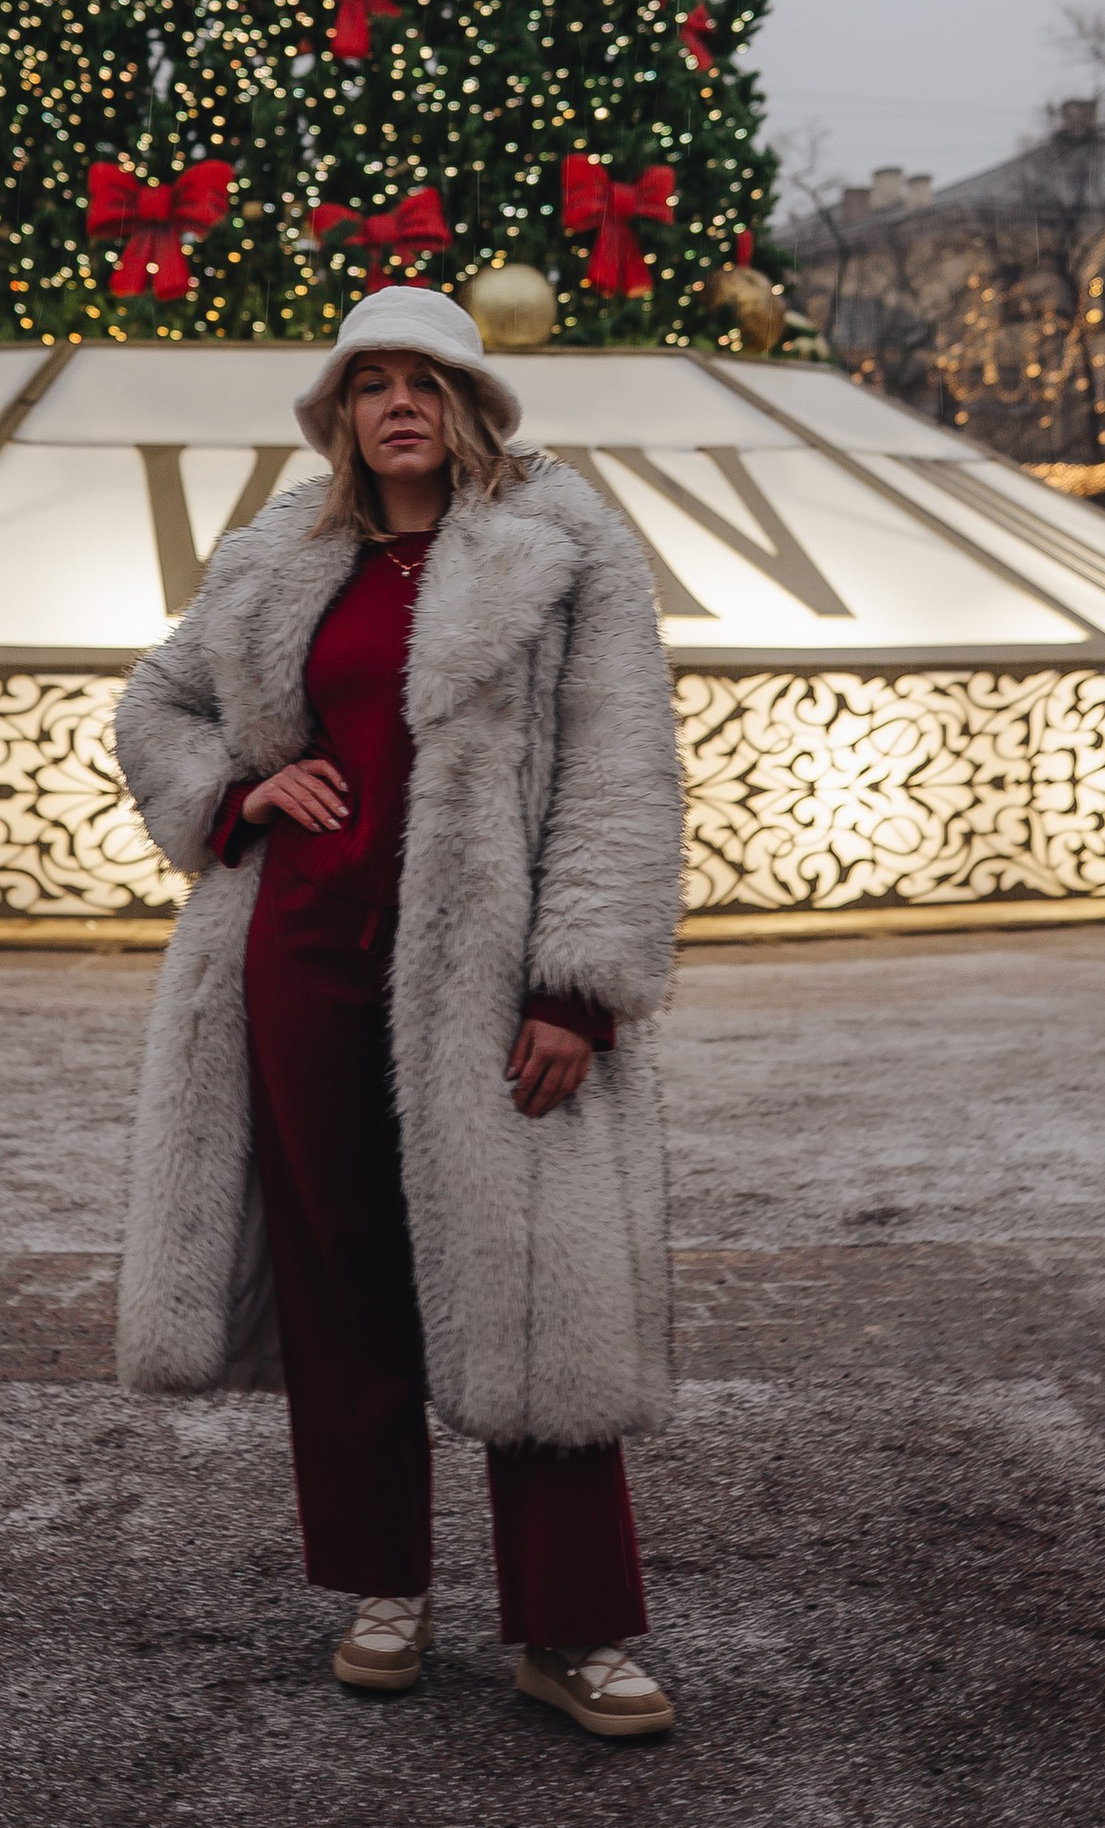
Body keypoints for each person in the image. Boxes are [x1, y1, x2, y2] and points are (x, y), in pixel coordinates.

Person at [114, 286, 686, 1740]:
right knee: (342, 1276)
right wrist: (242, 792)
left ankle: (572, 1627)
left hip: (489, 979)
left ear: (473, 402)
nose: (398, 407)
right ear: (339, 415)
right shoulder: (283, 553)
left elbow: (621, 771)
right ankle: (386, 1585)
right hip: (301, 957)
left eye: (424, 382)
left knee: (533, 1279)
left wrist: (578, 989)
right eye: (370, 385)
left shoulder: (563, 544)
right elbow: (156, 704)